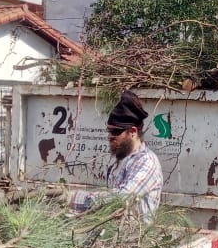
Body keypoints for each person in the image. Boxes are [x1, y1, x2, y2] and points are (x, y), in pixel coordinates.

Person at [69, 91, 163, 219]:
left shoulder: (147, 162)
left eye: (115, 131)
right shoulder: (123, 160)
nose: (110, 137)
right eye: (109, 131)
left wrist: (73, 198)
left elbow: (120, 199)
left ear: (133, 132)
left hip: (134, 237)